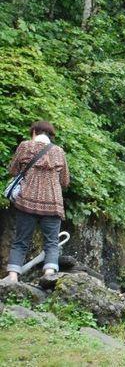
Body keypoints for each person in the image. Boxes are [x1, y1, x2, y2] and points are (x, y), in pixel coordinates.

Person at [5, 121, 70, 282]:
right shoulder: (59, 151)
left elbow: (12, 170)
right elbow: (65, 181)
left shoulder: (25, 146)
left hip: (26, 201)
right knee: (52, 242)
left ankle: (12, 277)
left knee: (20, 241)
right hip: (53, 204)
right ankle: (49, 274)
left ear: (34, 132)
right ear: (50, 135)